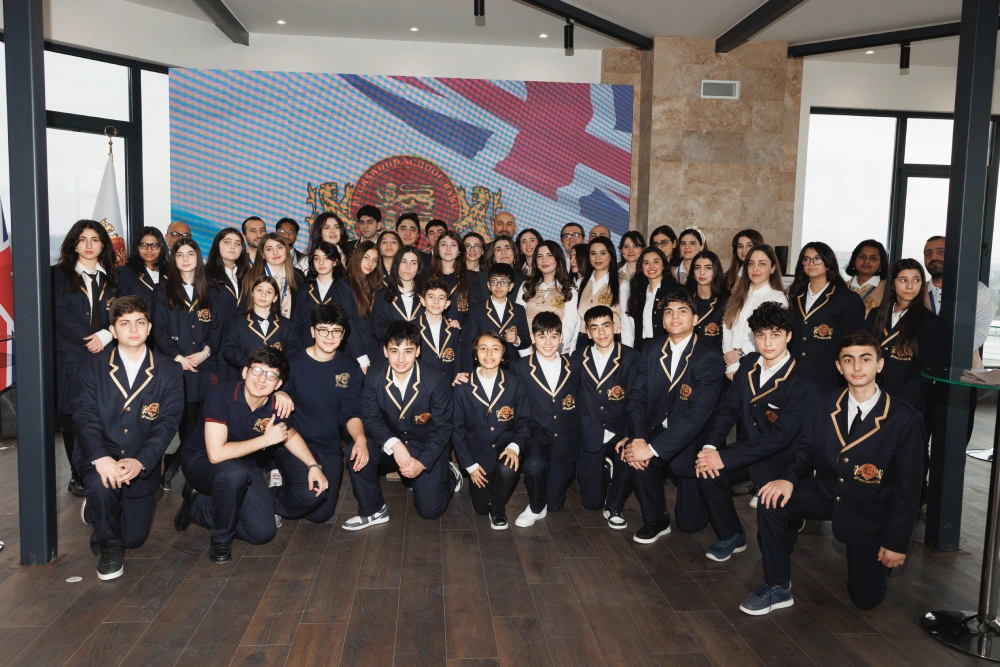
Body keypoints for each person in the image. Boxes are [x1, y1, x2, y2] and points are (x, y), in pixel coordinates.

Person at [739, 331, 923, 615]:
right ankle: (777, 585)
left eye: (865, 359)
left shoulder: (905, 418)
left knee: (865, 598)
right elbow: (804, 447)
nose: (857, 367)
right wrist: (787, 478)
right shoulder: (823, 402)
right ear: (838, 366)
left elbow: (909, 489)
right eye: (848, 360)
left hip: (871, 508)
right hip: (827, 491)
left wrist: (895, 543)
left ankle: (873, 564)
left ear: (880, 364)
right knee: (770, 498)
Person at [174, 347, 329, 563]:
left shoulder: (276, 405)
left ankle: (197, 506)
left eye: (271, 375)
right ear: (245, 372)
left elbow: (291, 435)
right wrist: (265, 440)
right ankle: (221, 539)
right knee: (233, 473)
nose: (261, 379)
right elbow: (216, 454)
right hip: (201, 462)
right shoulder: (221, 397)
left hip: (244, 466)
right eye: (257, 370)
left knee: (262, 533)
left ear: (279, 384)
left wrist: (313, 466)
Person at [694, 302, 815, 561]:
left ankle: (794, 517)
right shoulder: (748, 363)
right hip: (749, 451)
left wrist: (724, 457)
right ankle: (731, 535)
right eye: (761, 335)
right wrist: (710, 448)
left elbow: (780, 437)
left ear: (788, 336)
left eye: (775, 334)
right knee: (708, 472)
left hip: (784, 462)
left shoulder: (802, 380)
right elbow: (728, 408)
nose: (767, 342)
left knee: (774, 546)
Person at [74, 296, 182, 579]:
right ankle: (108, 544)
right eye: (124, 324)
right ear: (113, 330)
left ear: (149, 328)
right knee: (102, 487)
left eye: (140, 322)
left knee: (133, 539)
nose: (133, 329)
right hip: (100, 452)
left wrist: (140, 461)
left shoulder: (169, 370)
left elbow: (167, 423)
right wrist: (101, 458)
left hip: (140, 457)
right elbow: (85, 417)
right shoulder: (92, 366)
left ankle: (97, 509)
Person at [624, 289, 724, 543]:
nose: (675, 317)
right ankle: (656, 518)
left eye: (682, 311)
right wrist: (638, 439)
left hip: (693, 439)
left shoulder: (709, 357)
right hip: (657, 427)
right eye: (669, 312)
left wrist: (651, 449)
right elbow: (636, 396)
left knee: (690, 524)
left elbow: (697, 416)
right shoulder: (651, 348)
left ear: (696, 318)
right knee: (634, 455)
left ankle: (715, 503)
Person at [344, 320, 462, 528]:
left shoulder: (436, 379)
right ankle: (373, 510)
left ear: (417, 351)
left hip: (425, 445)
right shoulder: (373, 376)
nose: (400, 359)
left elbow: (443, 429)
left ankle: (451, 474)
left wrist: (422, 463)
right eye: (394, 351)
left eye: (408, 351)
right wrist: (394, 444)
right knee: (356, 449)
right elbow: (371, 418)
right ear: (385, 351)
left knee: (430, 511)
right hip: (389, 442)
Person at [273, 303, 366, 523]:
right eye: (323, 330)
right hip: (294, 442)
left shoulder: (350, 367)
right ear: (313, 331)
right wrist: (279, 392)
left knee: (322, 514)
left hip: (329, 446)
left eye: (336, 331)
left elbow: (351, 411)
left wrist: (360, 439)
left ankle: (294, 485)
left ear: (343, 334)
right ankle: (266, 496)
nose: (329, 336)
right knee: (310, 497)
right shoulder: (291, 364)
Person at [54, 220, 121, 497]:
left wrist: (105, 336)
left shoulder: (114, 278)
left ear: (103, 244)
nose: (89, 245)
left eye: (95, 239)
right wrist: (88, 339)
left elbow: (123, 311)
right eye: (82, 239)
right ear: (74, 244)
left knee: (104, 416)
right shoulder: (58, 275)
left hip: (107, 357)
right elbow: (57, 312)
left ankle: (102, 467)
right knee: (73, 418)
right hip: (71, 357)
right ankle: (78, 473)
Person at [154, 238, 223, 487]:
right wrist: (178, 357)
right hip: (176, 366)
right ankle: (177, 466)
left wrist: (206, 351)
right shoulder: (162, 290)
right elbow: (159, 330)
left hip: (205, 365)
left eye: (190, 254)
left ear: (198, 257)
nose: (185, 259)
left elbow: (217, 328)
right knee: (183, 420)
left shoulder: (212, 290)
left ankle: (184, 469)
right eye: (179, 254)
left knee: (205, 420)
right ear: (173, 259)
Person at [453, 330, 530, 529]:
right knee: (480, 508)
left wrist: (514, 446)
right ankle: (468, 477)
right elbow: (457, 431)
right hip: (477, 454)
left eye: (495, 349)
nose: (489, 354)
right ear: (475, 354)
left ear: (503, 355)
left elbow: (524, 421)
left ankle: (498, 507)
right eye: (483, 349)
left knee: (507, 467)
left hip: (505, 447)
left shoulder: (514, 382)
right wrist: (470, 465)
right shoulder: (462, 386)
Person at [575, 306, 642, 530]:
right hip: (589, 431)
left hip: (618, 430)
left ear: (615, 326)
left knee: (630, 454)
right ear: (588, 332)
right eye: (594, 328)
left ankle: (614, 505)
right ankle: (604, 467)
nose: (601, 332)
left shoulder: (631, 356)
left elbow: (637, 400)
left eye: (606, 325)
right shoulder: (578, 357)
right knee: (591, 503)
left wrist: (631, 435)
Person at [511, 311, 581, 527]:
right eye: (542, 336)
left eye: (553, 336)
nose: (548, 343)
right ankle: (534, 505)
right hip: (536, 433)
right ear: (532, 338)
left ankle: (545, 498)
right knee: (534, 466)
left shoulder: (574, 365)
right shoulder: (520, 367)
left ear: (561, 338)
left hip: (565, 434)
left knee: (555, 505)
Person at [787, 242, 866, 389]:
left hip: (829, 378)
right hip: (795, 377)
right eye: (806, 259)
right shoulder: (795, 296)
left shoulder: (847, 298)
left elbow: (856, 342)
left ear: (828, 263)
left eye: (817, 258)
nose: (811, 263)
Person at [869, 259, 938, 418]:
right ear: (892, 284)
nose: (910, 286)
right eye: (903, 280)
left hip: (906, 403)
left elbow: (926, 370)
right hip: (870, 396)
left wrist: (898, 402)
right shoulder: (876, 315)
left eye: (916, 280)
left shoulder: (929, 322)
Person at [722, 245, 788, 380]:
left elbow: (770, 336)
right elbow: (727, 327)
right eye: (751, 264)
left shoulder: (778, 298)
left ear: (773, 268)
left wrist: (740, 353)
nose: (755, 269)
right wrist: (731, 360)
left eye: (762, 264)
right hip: (732, 364)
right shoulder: (737, 295)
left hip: (758, 363)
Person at [923, 235, 993, 360]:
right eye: (928, 253)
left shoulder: (976, 290)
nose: (933, 257)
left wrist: (943, 354)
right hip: (920, 366)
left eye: (941, 252)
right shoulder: (918, 290)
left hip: (961, 365)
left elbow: (979, 332)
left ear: (954, 255)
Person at [222, 276, 301, 377]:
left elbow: (295, 348)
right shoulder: (239, 323)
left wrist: (278, 363)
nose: (263, 295)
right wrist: (252, 363)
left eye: (269, 292)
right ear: (252, 293)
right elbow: (228, 349)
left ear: (275, 297)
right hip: (248, 376)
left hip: (275, 376)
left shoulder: (285, 324)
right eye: (259, 290)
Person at [516, 241, 579, 354]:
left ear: (558, 258)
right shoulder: (527, 285)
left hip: (556, 349)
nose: (544, 260)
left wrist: (557, 349)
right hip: (528, 348)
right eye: (540, 256)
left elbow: (570, 322)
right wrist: (525, 350)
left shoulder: (569, 288)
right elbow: (519, 319)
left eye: (549, 255)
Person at [205, 228, 250, 383]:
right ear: (217, 245)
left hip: (242, 349)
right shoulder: (205, 275)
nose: (233, 247)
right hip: (216, 348)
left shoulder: (248, 275)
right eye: (227, 242)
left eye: (237, 243)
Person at [333, 240, 382, 373]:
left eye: (375, 260)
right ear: (357, 257)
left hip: (374, 352)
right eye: (366, 257)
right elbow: (347, 322)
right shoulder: (344, 285)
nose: (370, 264)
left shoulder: (373, 286)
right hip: (354, 354)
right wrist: (361, 356)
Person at [465, 263, 530, 362]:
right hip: (485, 363)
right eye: (494, 281)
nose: (498, 286)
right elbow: (471, 343)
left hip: (510, 364)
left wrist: (516, 339)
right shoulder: (477, 309)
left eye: (504, 282)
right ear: (488, 285)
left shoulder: (518, 310)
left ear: (511, 286)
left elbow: (526, 339)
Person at [623, 246, 676, 350]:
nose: (651, 266)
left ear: (663, 265)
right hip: (642, 349)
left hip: (667, 348)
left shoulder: (675, 290)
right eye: (646, 263)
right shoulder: (638, 291)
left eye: (656, 262)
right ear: (641, 267)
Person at [292, 241, 342, 348]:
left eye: (326, 258)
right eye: (316, 258)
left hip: (336, 349)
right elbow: (296, 325)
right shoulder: (304, 289)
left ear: (335, 262)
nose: (321, 262)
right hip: (307, 348)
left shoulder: (343, 289)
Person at [575, 237, 622, 350]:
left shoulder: (621, 284)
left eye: (603, 253)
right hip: (583, 340)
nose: (597, 258)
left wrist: (627, 350)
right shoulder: (580, 282)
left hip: (610, 341)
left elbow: (626, 321)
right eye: (593, 253)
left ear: (611, 255)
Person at [425, 230, 478, 330]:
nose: (448, 249)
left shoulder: (471, 277)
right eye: (443, 244)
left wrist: (460, 325)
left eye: (453, 245)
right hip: (431, 331)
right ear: (437, 249)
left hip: (461, 333)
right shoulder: (426, 277)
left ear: (459, 250)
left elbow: (476, 312)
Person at [416, 278, 467, 377]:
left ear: (447, 304)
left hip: (447, 384)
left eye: (441, 298)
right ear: (423, 301)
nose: (436, 301)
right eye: (431, 297)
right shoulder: (411, 328)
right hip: (421, 383)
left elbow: (457, 366)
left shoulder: (453, 331)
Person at [372, 246, 423, 343]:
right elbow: (377, 329)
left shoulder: (426, 296)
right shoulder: (382, 296)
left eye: (413, 263)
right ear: (396, 265)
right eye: (404, 262)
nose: (408, 267)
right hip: (392, 349)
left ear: (418, 267)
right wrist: (401, 333)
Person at [243, 233, 302, 319]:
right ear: (262, 254)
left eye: (280, 247)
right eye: (269, 249)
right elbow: (245, 308)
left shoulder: (298, 275)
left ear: (286, 250)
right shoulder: (252, 276)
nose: (275, 252)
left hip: (291, 326)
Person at [687, 250, 729, 354]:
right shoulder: (685, 300)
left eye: (708, 268)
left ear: (716, 271)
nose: (702, 272)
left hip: (715, 358)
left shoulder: (725, 302)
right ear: (693, 272)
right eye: (697, 268)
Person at [118, 226, 168, 311]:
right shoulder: (124, 273)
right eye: (144, 245)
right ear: (137, 247)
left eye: (154, 245)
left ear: (161, 248)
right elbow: (121, 306)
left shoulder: (171, 273)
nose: (149, 250)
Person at [846, 239, 888, 316]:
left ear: (881, 264)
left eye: (873, 258)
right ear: (854, 261)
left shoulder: (888, 288)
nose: (866, 261)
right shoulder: (841, 287)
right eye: (862, 257)